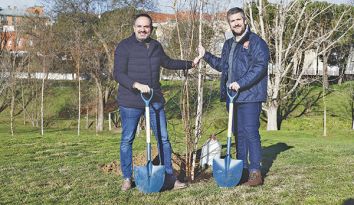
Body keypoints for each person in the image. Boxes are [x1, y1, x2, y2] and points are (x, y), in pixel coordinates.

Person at [113, 13, 199, 191]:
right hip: (130, 101)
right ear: (134, 27)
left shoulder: (155, 46)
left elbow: (167, 62)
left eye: (147, 27)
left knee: (164, 139)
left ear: (151, 29)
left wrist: (190, 64)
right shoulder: (124, 46)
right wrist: (135, 85)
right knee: (127, 139)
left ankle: (169, 178)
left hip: (154, 99)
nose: (143, 29)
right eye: (140, 26)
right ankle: (127, 178)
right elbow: (118, 74)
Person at [197, 7, 269, 186]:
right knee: (238, 134)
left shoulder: (256, 42)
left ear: (245, 20)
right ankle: (242, 169)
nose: (236, 23)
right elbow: (223, 66)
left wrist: (241, 83)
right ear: (229, 24)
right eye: (232, 21)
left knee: (250, 132)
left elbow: (259, 67)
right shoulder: (229, 44)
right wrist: (205, 55)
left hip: (250, 96)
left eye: (239, 19)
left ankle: (255, 172)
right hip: (233, 97)